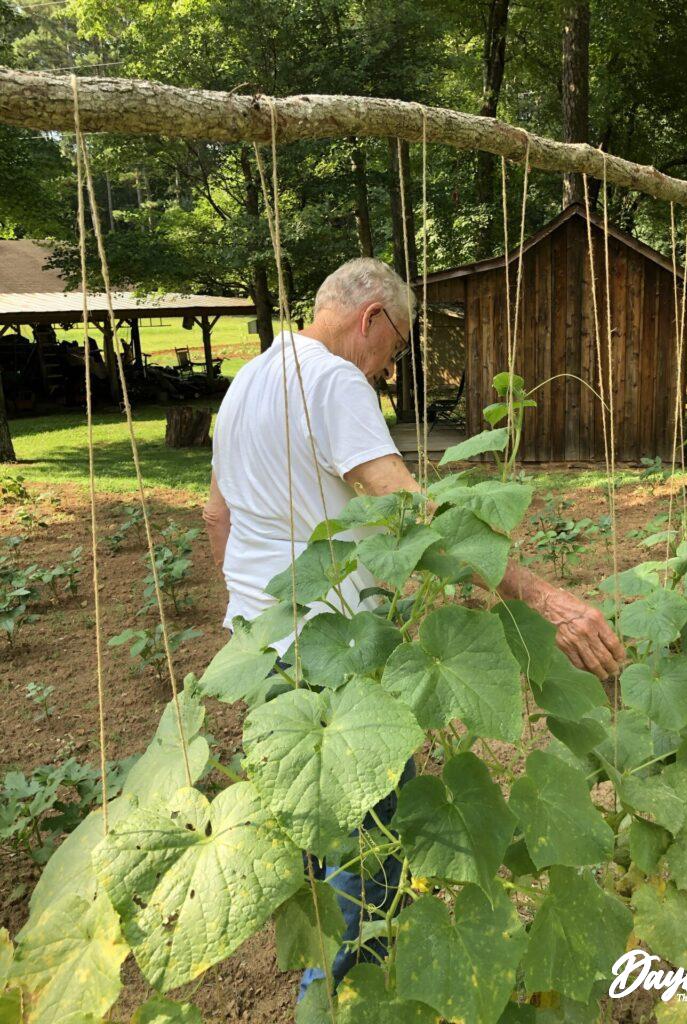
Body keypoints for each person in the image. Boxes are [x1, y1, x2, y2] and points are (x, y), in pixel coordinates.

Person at [203, 256, 625, 998]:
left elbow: (217, 516)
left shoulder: (245, 381)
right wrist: (543, 595)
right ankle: (353, 1002)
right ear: (371, 319)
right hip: (339, 656)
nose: (385, 370)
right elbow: (413, 513)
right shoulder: (333, 380)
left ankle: (320, 1000)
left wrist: (252, 612)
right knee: (366, 871)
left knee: (318, 850)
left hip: (262, 650)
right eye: (392, 351)